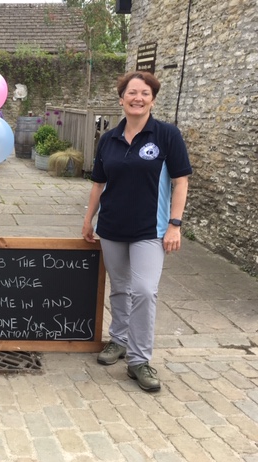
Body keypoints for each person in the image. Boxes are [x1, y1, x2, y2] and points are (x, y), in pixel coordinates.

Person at [82, 71, 192, 393]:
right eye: (132, 92)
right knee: (119, 288)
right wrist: (88, 219)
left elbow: (181, 182)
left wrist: (174, 224)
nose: (138, 98)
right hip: (112, 227)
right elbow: (98, 183)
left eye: (145, 93)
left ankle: (139, 360)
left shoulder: (167, 135)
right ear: (121, 99)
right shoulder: (109, 139)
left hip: (150, 230)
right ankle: (118, 340)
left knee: (144, 291)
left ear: (152, 100)